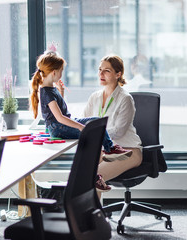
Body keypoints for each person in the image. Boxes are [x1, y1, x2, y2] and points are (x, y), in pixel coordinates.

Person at [29, 49, 132, 192]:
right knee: (91, 130)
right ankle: (102, 161)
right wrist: (81, 127)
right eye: (61, 71)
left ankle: (110, 149)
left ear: (118, 74)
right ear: (54, 73)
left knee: (96, 121)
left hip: (61, 124)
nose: (61, 74)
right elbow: (59, 118)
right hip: (58, 127)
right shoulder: (46, 91)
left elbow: (60, 111)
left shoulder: (51, 89)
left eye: (106, 71)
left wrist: (62, 94)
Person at [84, 54, 143, 185]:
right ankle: (94, 206)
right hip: (106, 150)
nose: (101, 74)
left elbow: (118, 131)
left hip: (128, 150)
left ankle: (93, 206)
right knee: (81, 174)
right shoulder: (94, 97)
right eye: (100, 70)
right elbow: (85, 123)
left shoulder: (125, 98)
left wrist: (95, 133)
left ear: (118, 74)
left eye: (107, 70)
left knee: (94, 177)